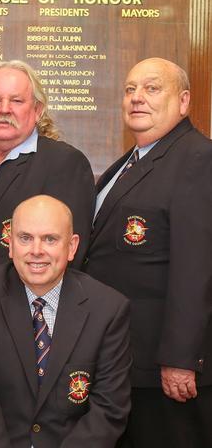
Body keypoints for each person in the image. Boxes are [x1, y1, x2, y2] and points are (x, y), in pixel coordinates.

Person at [85, 58, 212, 447]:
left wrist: (179, 358)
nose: (137, 98)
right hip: (124, 361)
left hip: (162, 369)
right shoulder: (129, 162)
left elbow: (197, 268)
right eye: (130, 89)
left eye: (152, 89)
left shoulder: (197, 159)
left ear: (184, 101)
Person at [0, 195, 131, 447]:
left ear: (71, 246)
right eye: (25, 238)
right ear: (10, 244)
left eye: (50, 239)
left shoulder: (108, 309)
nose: (36, 250)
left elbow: (109, 410)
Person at [0, 60, 95, 306]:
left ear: (37, 110)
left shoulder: (64, 164)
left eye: (16, 101)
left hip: (18, 318)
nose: (4, 109)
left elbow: (67, 257)